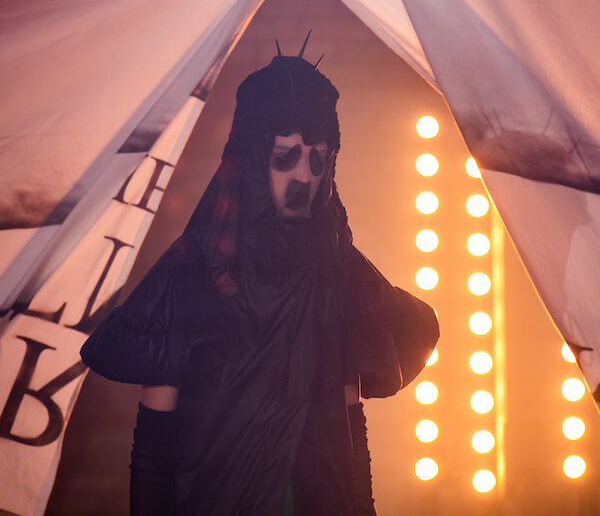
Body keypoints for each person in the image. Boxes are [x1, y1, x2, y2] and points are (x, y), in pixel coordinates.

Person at [81, 40, 439, 515]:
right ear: (252, 158)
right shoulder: (189, 280)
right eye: (284, 156)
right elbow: (153, 450)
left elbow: (352, 434)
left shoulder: (339, 277)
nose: (304, 177)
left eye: (317, 159)